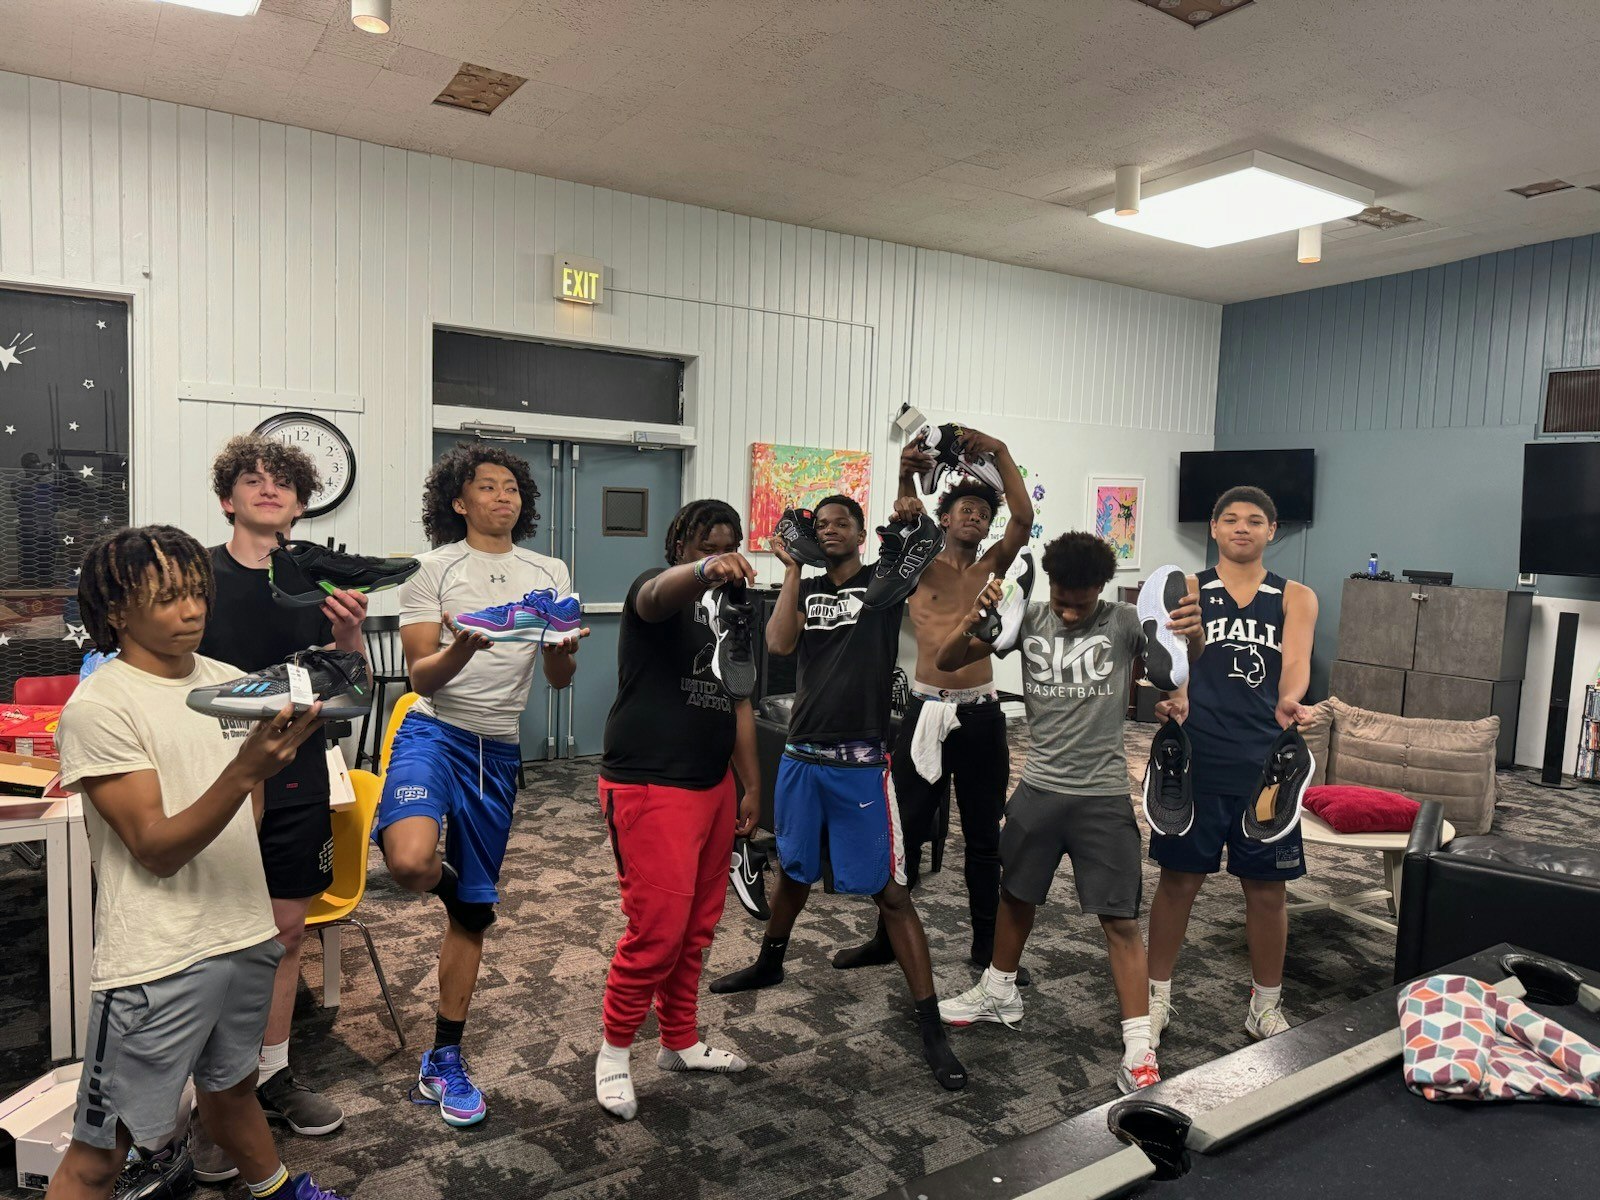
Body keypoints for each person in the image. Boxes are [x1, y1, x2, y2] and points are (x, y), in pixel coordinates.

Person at [50, 525, 346, 1200]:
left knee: (233, 1094)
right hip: (157, 959)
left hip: (242, 934)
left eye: (195, 594)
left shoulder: (232, 685)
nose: (191, 611)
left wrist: (251, 775)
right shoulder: (100, 707)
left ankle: (279, 1191)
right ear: (118, 610)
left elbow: (254, 816)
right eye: (167, 598)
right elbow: (154, 847)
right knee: (101, 1153)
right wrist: (244, 771)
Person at [708, 494, 968, 1092]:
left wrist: (912, 509)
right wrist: (794, 569)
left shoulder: (884, 582)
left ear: (859, 533)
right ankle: (769, 964)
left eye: (840, 524)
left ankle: (930, 1026)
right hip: (802, 755)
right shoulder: (809, 585)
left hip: (859, 763)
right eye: (820, 525)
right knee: (795, 869)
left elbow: (922, 553)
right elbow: (778, 646)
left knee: (891, 892)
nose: (829, 532)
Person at [932, 532, 1204, 1091]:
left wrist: (1192, 641)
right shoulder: (1025, 618)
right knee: (1016, 895)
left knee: (1120, 921)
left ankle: (1138, 1045)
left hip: (1102, 795)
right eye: (1062, 597)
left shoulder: (1128, 621)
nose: (1071, 609)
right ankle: (999, 992)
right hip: (1037, 788)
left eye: (1082, 600)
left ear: (1102, 589)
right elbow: (946, 659)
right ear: (1050, 584)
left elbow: (1173, 669)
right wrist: (974, 617)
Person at [373, 442, 586, 1128]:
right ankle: (455, 875)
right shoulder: (430, 570)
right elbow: (419, 678)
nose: (503, 497)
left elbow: (558, 681)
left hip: (498, 749)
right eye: (486, 488)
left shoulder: (548, 570)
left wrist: (565, 653)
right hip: (434, 732)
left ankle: (444, 1059)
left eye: (511, 488)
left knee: (470, 918)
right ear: (458, 502)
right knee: (409, 864)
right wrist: (461, 645)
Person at [195, 435, 368, 1166]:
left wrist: (353, 633)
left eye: (283, 483)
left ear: (300, 503)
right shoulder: (193, 576)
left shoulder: (319, 581)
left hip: (298, 769)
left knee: (286, 934)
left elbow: (352, 690)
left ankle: (272, 1076)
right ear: (228, 497)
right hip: (210, 772)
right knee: (210, 944)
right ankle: (214, 1099)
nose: (268, 490)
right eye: (252, 480)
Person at [833, 429, 1034, 978]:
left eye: (981, 511)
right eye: (964, 508)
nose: (975, 516)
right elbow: (904, 517)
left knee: (984, 834)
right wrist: (903, 473)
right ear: (944, 518)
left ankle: (987, 946)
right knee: (907, 831)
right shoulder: (917, 565)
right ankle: (884, 938)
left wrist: (1000, 449)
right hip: (925, 710)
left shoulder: (992, 564)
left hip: (981, 711)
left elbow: (1022, 518)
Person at [593, 499, 762, 1120]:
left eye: (730, 545)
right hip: (650, 785)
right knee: (656, 933)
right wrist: (705, 570)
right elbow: (656, 596)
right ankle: (613, 1057)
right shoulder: (656, 592)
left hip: (712, 787)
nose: (719, 555)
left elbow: (739, 701)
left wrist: (750, 785)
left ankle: (679, 1040)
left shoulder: (736, 613)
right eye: (705, 545)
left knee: (696, 931)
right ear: (680, 546)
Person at [1145, 486, 1318, 1044]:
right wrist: (1173, 696)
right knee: (1178, 883)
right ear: (1214, 529)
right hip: (1195, 759)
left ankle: (1265, 1006)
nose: (1242, 528)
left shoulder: (1296, 596)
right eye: (1231, 519)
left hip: (1266, 764)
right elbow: (1173, 663)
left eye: (1255, 520)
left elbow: (1295, 664)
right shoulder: (1189, 589)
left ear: (1272, 531)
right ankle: (1155, 997)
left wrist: (1291, 699)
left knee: (1268, 891)